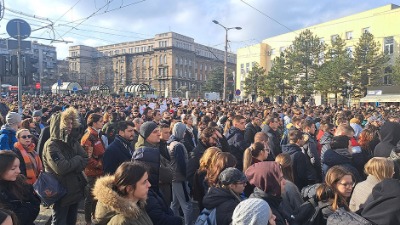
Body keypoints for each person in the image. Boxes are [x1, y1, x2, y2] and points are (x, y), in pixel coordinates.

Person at [42, 107, 88, 225]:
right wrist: (77, 159)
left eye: (71, 123)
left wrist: (74, 164)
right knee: (59, 221)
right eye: (67, 123)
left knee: (71, 221)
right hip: (60, 192)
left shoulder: (72, 141)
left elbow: (86, 158)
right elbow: (62, 168)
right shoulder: (51, 145)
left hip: (74, 190)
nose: (70, 126)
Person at [0, 151, 40, 225]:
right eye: (13, 169)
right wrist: (28, 207)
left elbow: (36, 203)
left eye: (18, 167)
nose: (18, 171)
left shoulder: (20, 181)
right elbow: (12, 219)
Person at [80, 113, 106, 225]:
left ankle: (95, 216)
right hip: (92, 172)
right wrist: (100, 164)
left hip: (98, 171)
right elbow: (87, 158)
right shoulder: (89, 137)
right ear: (94, 123)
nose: (103, 122)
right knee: (90, 197)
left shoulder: (96, 135)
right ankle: (88, 220)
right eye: (100, 121)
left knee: (97, 196)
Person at [167, 122, 193, 225]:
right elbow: (182, 164)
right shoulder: (177, 145)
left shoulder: (171, 142)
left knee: (175, 204)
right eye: (184, 132)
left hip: (174, 178)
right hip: (180, 178)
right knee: (187, 205)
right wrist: (186, 177)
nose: (184, 134)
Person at [275, 153, 304, 222]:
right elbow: (301, 208)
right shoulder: (290, 186)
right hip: (293, 220)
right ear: (290, 166)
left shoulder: (272, 182)